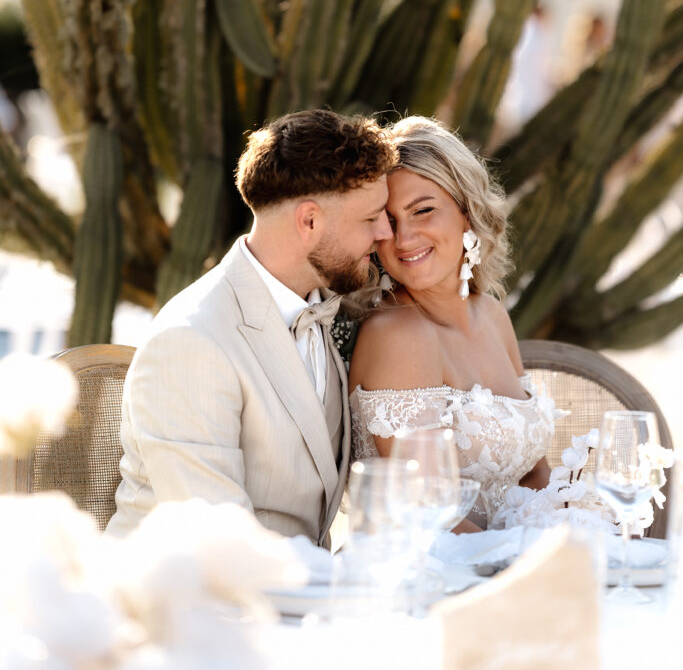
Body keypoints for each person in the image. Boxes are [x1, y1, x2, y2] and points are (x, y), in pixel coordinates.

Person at [108, 109, 397, 545]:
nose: (386, 232)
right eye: (370, 218)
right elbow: (222, 541)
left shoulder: (322, 305)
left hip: (297, 579)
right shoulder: (191, 342)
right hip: (198, 585)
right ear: (309, 221)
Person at [348, 115, 555, 531]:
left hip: (513, 557)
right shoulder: (398, 335)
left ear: (467, 212)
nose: (404, 239)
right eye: (388, 221)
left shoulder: (492, 314)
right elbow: (429, 513)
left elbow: (534, 471)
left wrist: (564, 528)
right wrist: (522, 559)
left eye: (423, 211)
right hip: (433, 566)